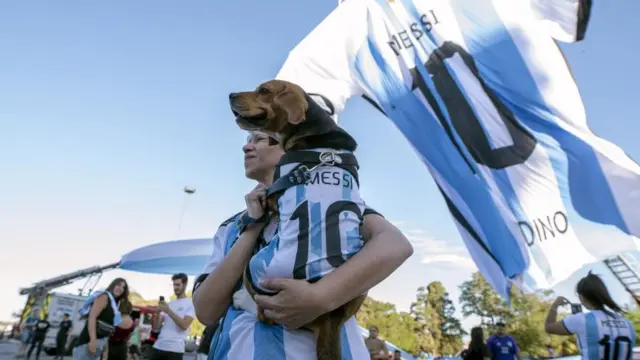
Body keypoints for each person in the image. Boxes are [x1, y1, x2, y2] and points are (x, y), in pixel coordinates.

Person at [193, 131, 413, 359]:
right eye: (248, 140)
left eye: (259, 139)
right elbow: (205, 311)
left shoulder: (326, 203)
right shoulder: (232, 227)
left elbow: (395, 244)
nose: (247, 147)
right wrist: (252, 227)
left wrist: (320, 296)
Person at [544, 272, 636, 360]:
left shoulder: (581, 320)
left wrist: (555, 305)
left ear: (581, 297)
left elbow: (549, 327)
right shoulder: (627, 323)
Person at [74, 278, 132, 360]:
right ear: (113, 285)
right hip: (87, 343)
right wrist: (92, 340)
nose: (121, 289)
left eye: (123, 287)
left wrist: (105, 350)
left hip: (98, 345)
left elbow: (108, 329)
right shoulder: (104, 296)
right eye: (119, 285)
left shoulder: (114, 304)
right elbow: (92, 317)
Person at [150, 273, 195, 360]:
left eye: (178, 285)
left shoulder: (190, 303)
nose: (175, 287)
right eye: (174, 285)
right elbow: (156, 327)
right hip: (159, 346)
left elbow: (184, 325)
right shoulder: (170, 303)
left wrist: (168, 311)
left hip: (175, 350)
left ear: (185, 285)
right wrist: (158, 313)